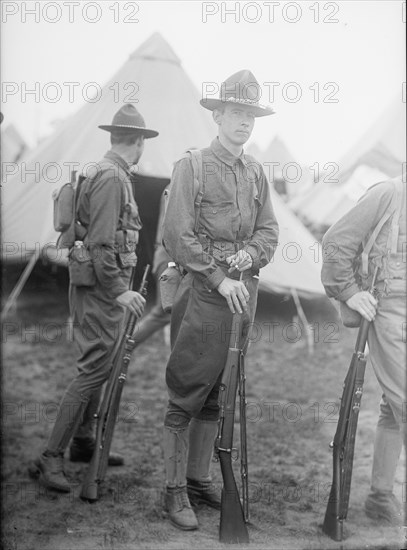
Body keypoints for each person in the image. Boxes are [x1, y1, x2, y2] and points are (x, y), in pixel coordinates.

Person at [161, 69, 279, 530]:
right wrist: (216, 276)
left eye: (250, 115)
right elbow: (178, 234)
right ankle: (173, 492)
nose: (243, 123)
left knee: (217, 394)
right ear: (218, 116)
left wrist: (251, 254)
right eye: (234, 113)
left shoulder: (255, 172)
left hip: (242, 297)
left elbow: (269, 230)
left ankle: (197, 478)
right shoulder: (191, 166)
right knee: (186, 392)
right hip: (205, 298)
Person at [30, 104, 159, 492]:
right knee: (92, 371)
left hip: (100, 287)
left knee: (102, 366)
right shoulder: (111, 179)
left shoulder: (110, 172)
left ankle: (83, 443)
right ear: (138, 143)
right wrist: (121, 291)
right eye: (142, 142)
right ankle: (50, 456)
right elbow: (103, 243)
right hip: (101, 290)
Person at [321, 176, 406, 525]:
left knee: (393, 404)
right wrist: (349, 291)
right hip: (390, 308)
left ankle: (381, 495)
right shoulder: (389, 193)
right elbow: (335, 242)